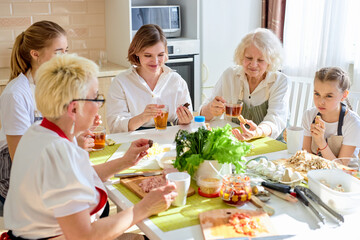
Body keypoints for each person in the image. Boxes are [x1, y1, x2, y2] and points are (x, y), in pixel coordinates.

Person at [3, 54, 177, 240]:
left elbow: (75, 176)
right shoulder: (59, 153)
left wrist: (125, 161)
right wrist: (144, 208)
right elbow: (83, 236)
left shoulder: (38, 133)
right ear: (74, 109)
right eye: (95, 98)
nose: (98, 106)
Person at [0, 21, 96, 207]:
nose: (65, 58)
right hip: (15, 171)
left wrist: (78, 130)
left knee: (93, 197)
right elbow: (20, 158)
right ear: (35, 55)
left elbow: (54, 133)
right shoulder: (16, 94)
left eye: (66, 51)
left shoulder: (53, 86)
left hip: (46, 162)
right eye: (58, 52)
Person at [200, 28, 289, 141]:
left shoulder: (279, 81)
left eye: (261, 60)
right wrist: (210, 109)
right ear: (242, 56)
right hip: (236, 141)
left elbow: (275, 119)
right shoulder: (230, 75)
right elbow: (203, 115)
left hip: (270, 143)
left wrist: (257, 132)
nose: (253, 64)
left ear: (270, 61)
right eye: (249, 58)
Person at [107, 24, 193, 132]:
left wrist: (184, 120)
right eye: (148, 55)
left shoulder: (177, 81)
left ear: (166, 52)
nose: (155, 61)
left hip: (168, 142)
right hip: (133, 142)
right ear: (136, 52)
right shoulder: (121, 82)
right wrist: (142, 117)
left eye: (160, 55)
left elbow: (180, 122)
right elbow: (115, 126)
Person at [302, 67, 360, 160]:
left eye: (329, 96)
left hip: (344, 173)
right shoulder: (309, 115)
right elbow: (306, 155)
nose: (321, 102)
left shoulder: (353, 123)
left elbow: (340, 167)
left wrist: (321, 142)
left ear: (344, 95)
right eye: (317, 94)